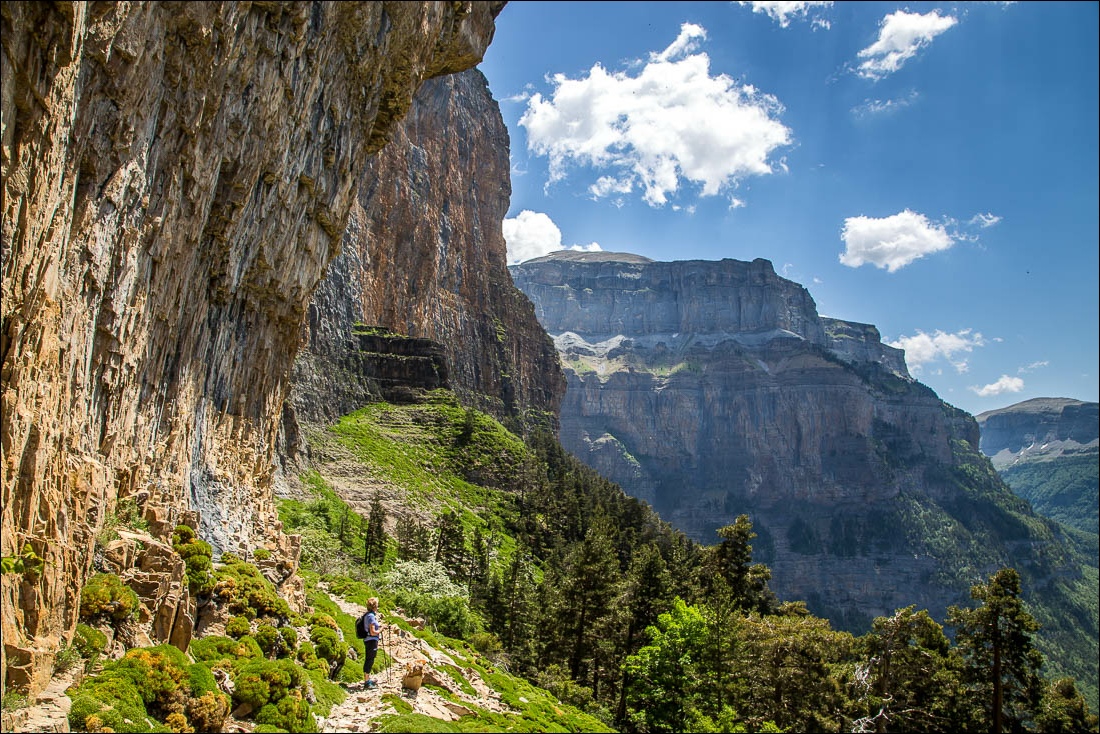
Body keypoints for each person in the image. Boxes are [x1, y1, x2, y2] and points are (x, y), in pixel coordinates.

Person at [361, 597, 381, 689]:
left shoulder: (367, 615)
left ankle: (367, 679)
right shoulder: (371, 616)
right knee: (370, 659)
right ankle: (367, 682)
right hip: (371, 640)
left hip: (368, 639)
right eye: (377, 605)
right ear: (374, 606)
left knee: (369, 658)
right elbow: (373, 632)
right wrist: (381, 629)